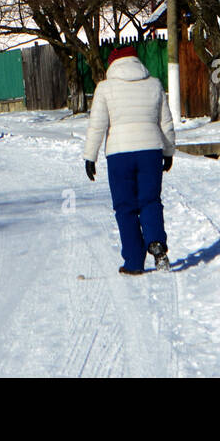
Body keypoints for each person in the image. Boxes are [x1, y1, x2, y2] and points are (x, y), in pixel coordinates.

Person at [83, 46, 176, 275]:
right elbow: (166, 123)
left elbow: (97, 125)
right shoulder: (154, 84)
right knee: (150, 200)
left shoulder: (104, 88)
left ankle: (134, 262)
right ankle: (156, 242)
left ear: (112, 64)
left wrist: (90, 156)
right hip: (150, 152)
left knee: (125, 208)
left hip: (119, 154)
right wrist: (168, 152)